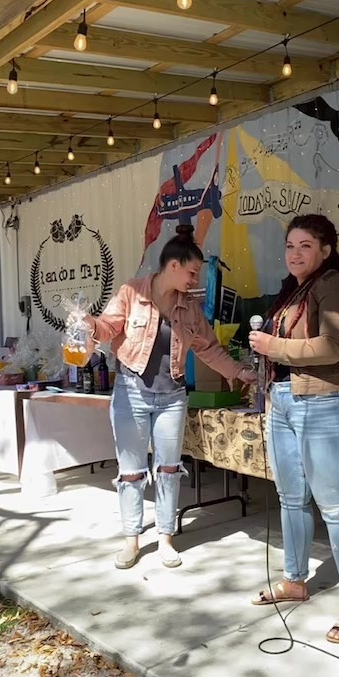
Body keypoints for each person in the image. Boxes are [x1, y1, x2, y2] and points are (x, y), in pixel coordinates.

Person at [85, 224, 256, 570]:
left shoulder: (189, 308)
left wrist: (240, 372)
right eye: (192, 272)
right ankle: (131, 540)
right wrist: (90, 326)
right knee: (131, 471)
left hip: (172, 397)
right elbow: (106, 328)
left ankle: (165, 538)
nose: (195, 280)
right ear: (173, 266)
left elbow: (209, 349)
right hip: (131, 392)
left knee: (168, 469)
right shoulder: (131, 292)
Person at [248, 214, 339, 644]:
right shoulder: (295, 291)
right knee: (290, 499)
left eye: (305, 245)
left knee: (337, 509)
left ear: (325, 250)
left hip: (329, 403)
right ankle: (295, 581)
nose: (295, 253)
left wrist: (274, 346)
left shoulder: (336, 284)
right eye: (290, 245)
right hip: (286, 401)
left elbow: (335, 345)